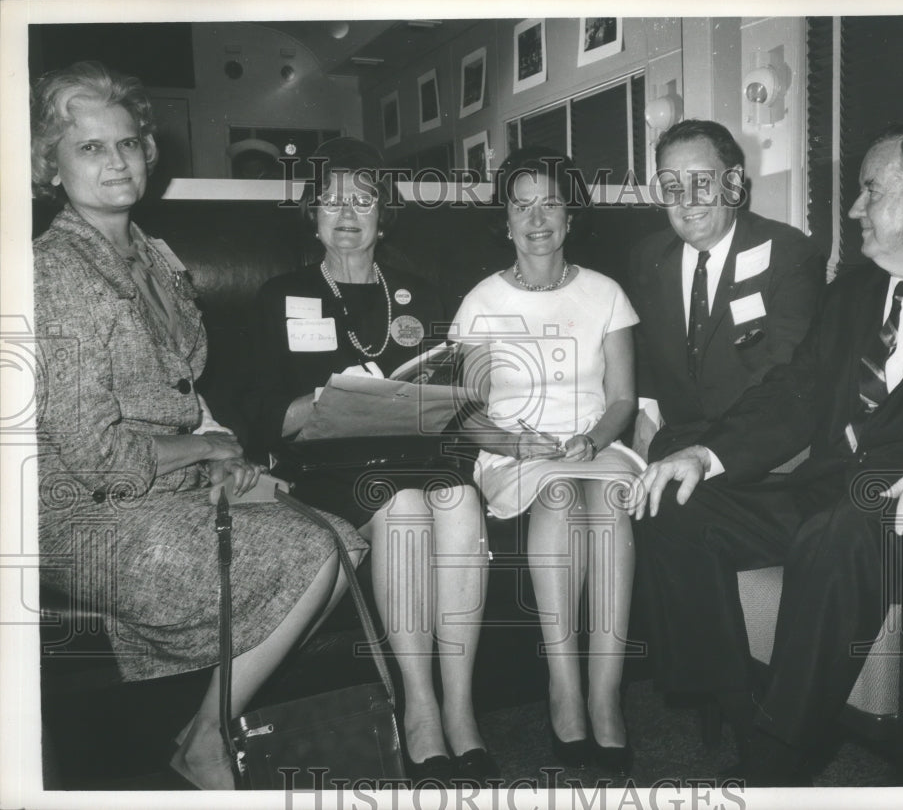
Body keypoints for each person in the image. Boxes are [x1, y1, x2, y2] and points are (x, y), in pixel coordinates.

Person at [31, 61, 368, 791]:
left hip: (169, 486)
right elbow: (100, 457)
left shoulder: (152, 255)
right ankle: (207, 743)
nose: (116, 162)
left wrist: (224, 457)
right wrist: (205, 449)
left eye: (126, 144)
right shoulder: (53, 272)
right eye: (90, 148)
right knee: (311, 555)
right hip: (84, 516)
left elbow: (184, 389)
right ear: (49, 163)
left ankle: (203, 728)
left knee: (341, 540)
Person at [629, 123, 903, 785]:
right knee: (675, 504)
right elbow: (795, 394)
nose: (853, 209)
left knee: (837, 528)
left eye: (870, 192)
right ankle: (742, 707)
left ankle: (777, 762)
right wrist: (706, 455)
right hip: (833, 493)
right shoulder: (853, 292)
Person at [244, 137, 494, 784]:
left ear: (385, 217)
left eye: (364, 200)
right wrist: (327, 399)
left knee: (460, 498)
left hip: (415, 451)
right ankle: (419, 705)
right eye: (332, 201)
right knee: (404, 503)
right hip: (329, 466)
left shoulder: (421, 293)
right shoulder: (282, 294)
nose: (348, 213)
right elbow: (263, 419)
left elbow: (448, 399)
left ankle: (463, 706)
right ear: (313, 216)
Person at [450, 147, 640, 775]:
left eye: (551, 202)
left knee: (608, 498)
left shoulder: (605, 293)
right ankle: (564, 687)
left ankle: (605, 694)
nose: (537, 217)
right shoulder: (479, 302)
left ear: (569, 216)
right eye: (522, 203)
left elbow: (622, 399)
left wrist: (595, 436)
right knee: (558, 494)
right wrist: (515, 444)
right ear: (505, 220)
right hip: (515, 450)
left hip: (594, 439)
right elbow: (468, 414)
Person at [628, 119, 825, 460]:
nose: (685, 201)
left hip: (756, 449)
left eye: (701, 182)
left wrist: (710, 453)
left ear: (733, 184)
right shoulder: (648, 257)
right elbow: (643, 348)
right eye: (671, 186)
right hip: (674, 442)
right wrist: (646, 415)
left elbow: (786, 370)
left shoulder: (787, 252)